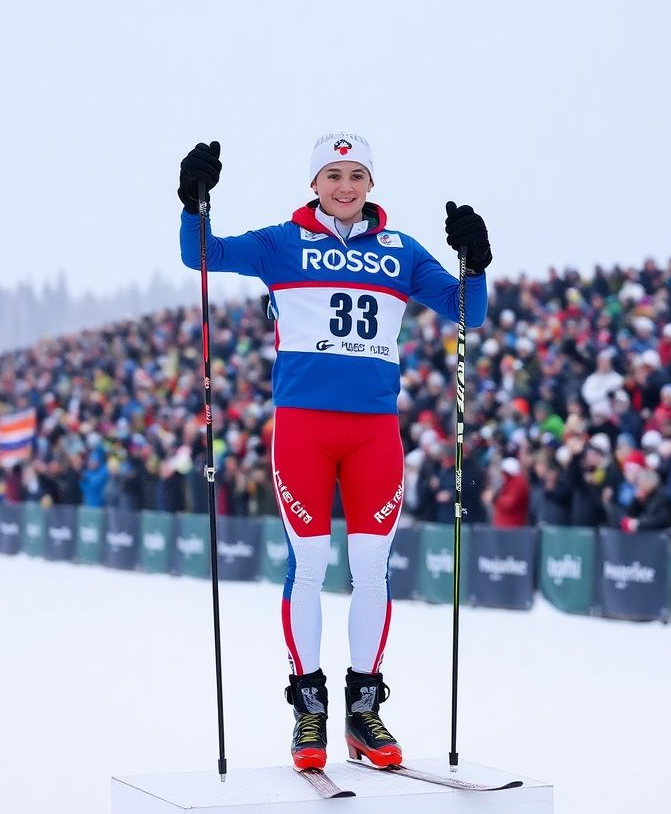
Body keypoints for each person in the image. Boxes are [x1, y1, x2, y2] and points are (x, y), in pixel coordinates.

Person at [178, 134, 491, 772]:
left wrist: (475, 263)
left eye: (356, 175)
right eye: (332, 175)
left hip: (374, 432)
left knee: (372, 569)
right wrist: (194, 201)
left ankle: (364, 708)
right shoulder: (281, 242)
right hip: (304, 430)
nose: (344, 187)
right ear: (314, 183)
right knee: (312, 564)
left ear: (371, 184)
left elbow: (468, 312)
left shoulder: (401, 251)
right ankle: (310, 709)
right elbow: (201, 256)